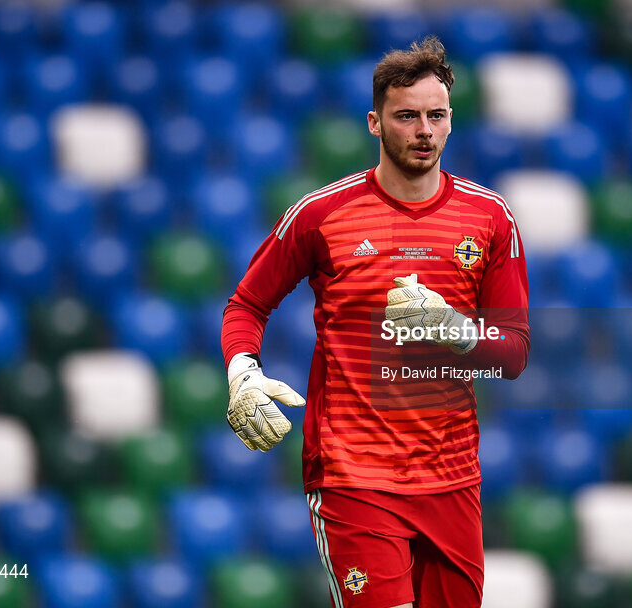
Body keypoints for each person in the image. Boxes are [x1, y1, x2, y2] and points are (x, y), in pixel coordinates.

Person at [221, 36, 529, 608]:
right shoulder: (321, 215)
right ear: (374, 122)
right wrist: (243, 372)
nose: (423, 130)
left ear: (451, 121)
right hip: (354, 476)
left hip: (452, 478)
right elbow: (246, 305)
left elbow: (512, 353)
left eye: (436, 116)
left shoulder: (489, 218)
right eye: (406, 116)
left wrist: (455, 332)